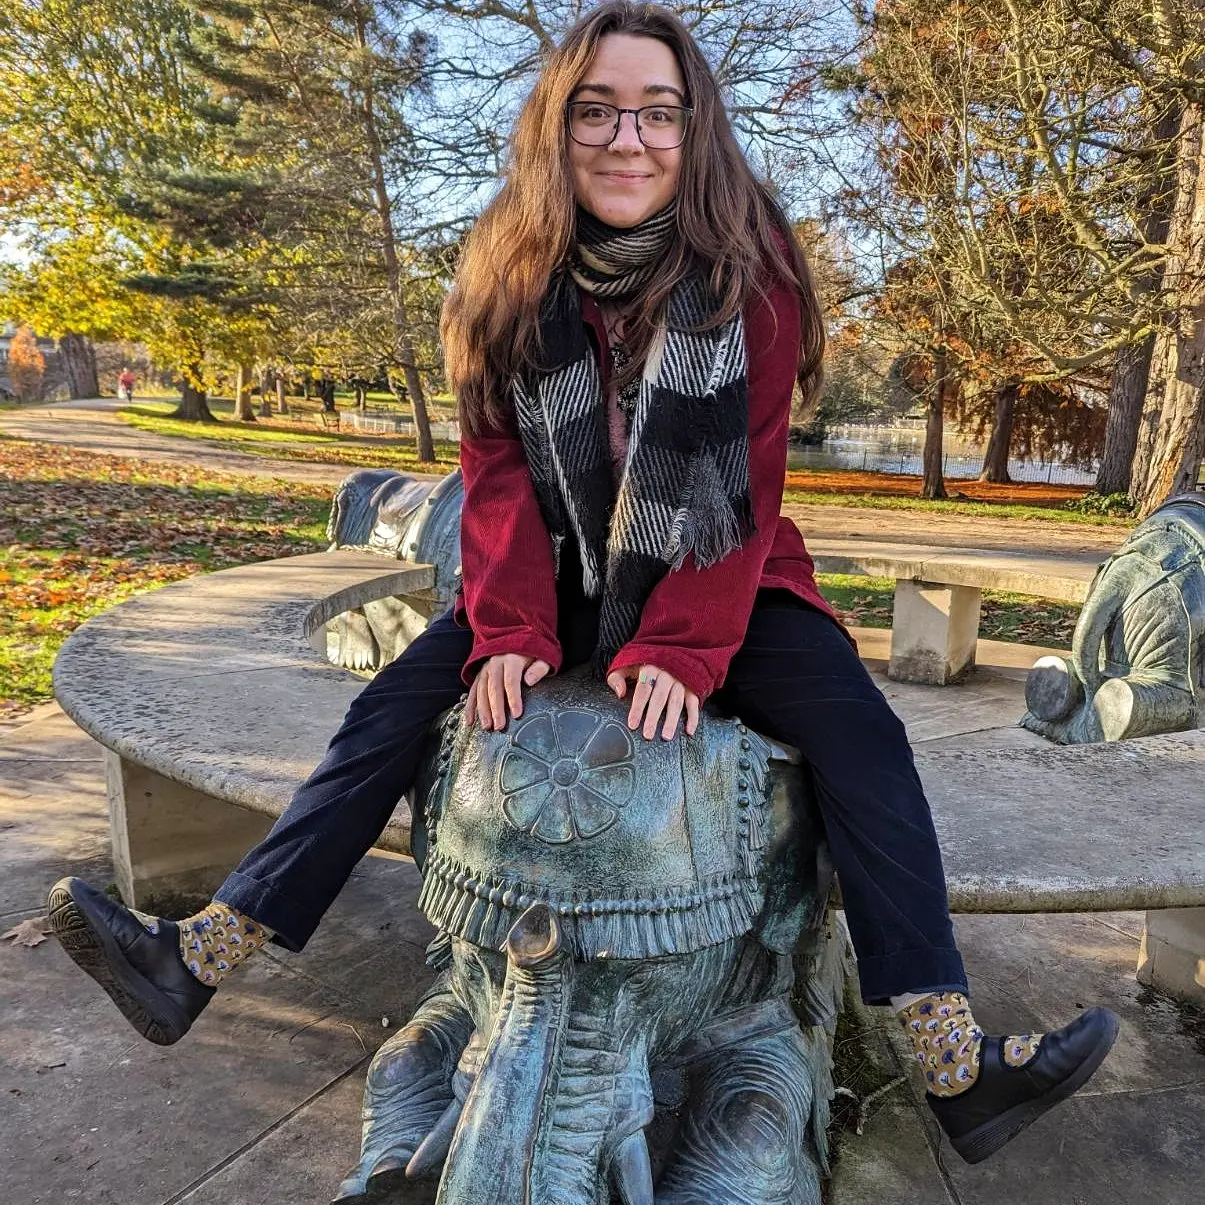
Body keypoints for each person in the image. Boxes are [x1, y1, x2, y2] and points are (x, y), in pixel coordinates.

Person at [50, 1, 1117, 1168]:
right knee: (388, 714)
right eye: (596, 110)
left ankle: (950, 1059)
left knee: (863, 734)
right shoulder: (506, 274)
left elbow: (743, 487)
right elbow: (495, 469)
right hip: (548, 572)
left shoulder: (751, 276)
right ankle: (196, 955)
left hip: (720, 571)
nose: (627, 138)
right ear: (556, 130)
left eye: (656, 112)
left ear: (692, 130)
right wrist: (503, 625)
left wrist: (679, 649)